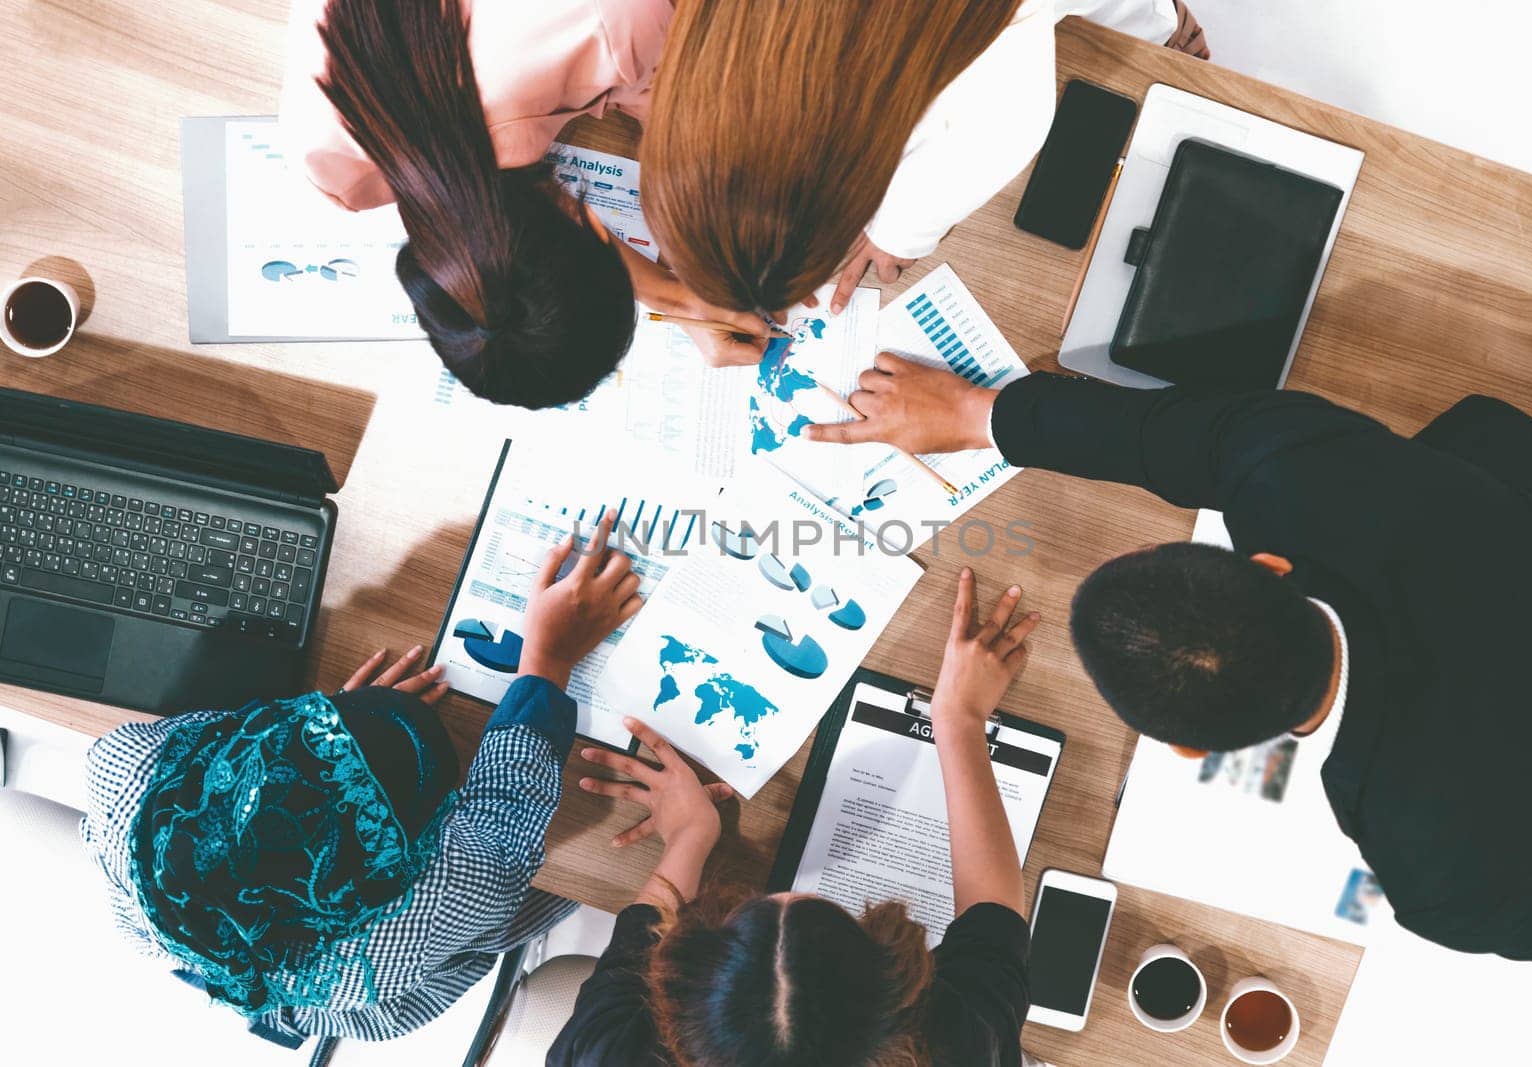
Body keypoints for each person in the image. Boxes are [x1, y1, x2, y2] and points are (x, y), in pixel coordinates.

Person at [803, 355, 1532, 961]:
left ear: (1191, 747)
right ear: (1269, 567)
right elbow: (1185, 437)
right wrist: (983, 413)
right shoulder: (1307, 474)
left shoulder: (1446, 887)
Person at [80, 512, 645, 1043]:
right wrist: (548, 660)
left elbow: (231, 733)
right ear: (422, 845)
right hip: (390, 974)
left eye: (321, 726)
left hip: (200, 929)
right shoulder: (435, 899)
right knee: (540, 880)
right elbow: (504, 817)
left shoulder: (122, 764)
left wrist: (326, 725)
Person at [548, 569, 1042, 1065]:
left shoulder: (604, 1052)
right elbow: (994, 920)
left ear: (673, 994)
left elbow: (637, 944)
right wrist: (960, 718)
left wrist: (690, 836)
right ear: (898, 985)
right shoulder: (964, 1045)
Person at [278, 0, 773, 410]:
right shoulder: (331, 165)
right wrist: (673, 297)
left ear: (598, 227)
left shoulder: (616, 25)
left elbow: (674, 88)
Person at [640, 0, 1210, 319]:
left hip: (1131, 23)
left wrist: (902, 230)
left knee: (1185, 75)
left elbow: (1006, 128)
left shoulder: (975, 81)